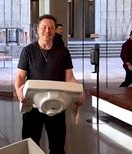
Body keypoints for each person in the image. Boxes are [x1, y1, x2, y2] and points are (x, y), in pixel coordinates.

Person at [14, 14, 82, 154]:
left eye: (51, 28)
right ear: (38, 30)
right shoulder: (28, 51)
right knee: (30, 144)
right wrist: (18, 89)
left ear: (55, 30)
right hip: (33, 105)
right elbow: (20, 77)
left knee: (57, 147)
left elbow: (69, 78)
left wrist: (80, 92)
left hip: (57, 104)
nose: (47, 31)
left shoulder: (63, 52)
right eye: (44, 27)